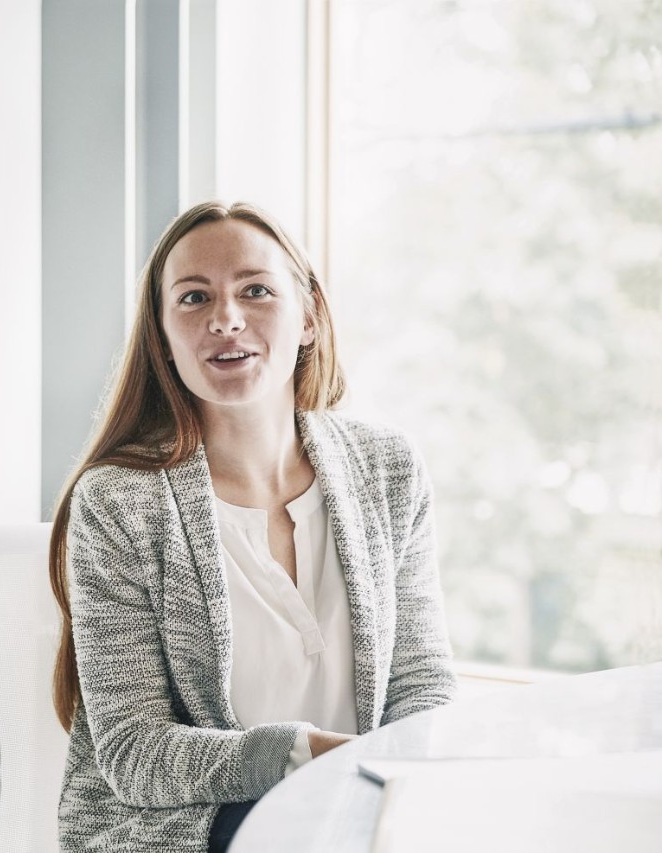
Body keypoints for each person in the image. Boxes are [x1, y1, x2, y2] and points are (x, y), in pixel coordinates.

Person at [49, 201, 457, 852]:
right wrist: (305, 755)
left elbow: (422, 683)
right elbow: (134, 750)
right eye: (193, 297)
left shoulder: (388, 469)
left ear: (309, 316)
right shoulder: (118, 502)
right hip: (182, 833)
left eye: (256, 290)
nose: (225, 319)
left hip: (357, 818)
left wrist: (398, 780)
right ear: (163, 333)